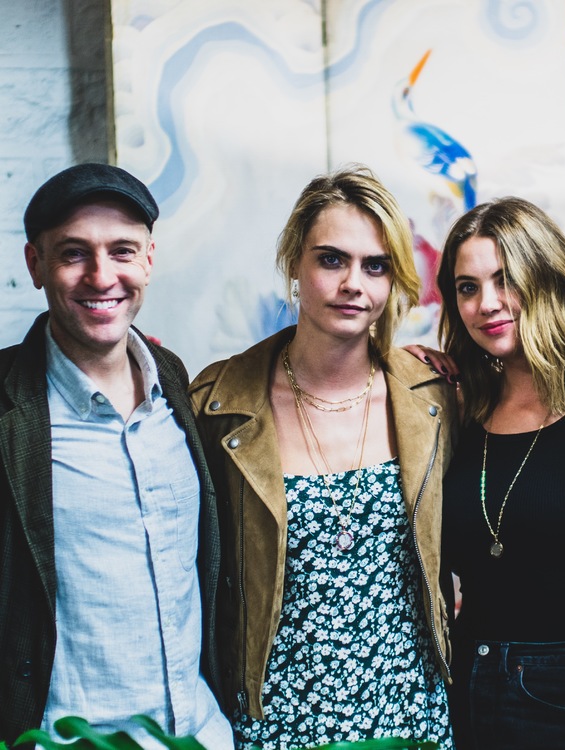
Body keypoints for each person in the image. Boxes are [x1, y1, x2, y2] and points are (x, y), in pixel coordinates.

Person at [189, 165, 456, 749]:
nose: (353, 283)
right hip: (276, 716)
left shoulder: (431, 398)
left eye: (376, 265)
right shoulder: (218, 404)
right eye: (331, 259)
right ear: (295, 265)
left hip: (409, 713)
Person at [0, 164, 233, 750]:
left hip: (199, 735)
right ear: (35, 265)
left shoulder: (176, 382)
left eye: (122, 251)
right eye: (74, 254)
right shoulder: (6, 406)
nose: (101, 276)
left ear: (149, 260)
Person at [409, 196, 565, 750]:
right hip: (464, 686)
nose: (487, 303)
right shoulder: (458, 406)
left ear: (546, 278)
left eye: (505, 279)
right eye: (467, 287)